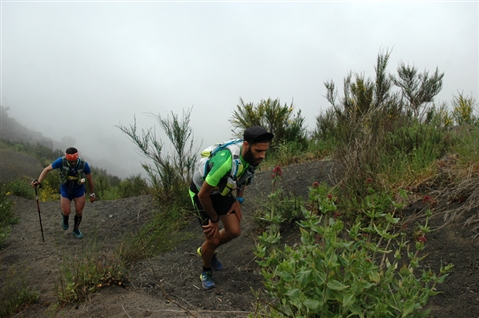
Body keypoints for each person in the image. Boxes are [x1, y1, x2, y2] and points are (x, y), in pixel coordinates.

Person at [189, 126, 274, 289]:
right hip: (201, 192)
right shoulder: (225, 162)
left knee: (234, 231)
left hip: (221, 190)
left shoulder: (252, 157)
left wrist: (238, 200)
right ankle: (206, 269)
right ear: (247, 145)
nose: (262, 156)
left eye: (265, 151)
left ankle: (205, 250)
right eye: (259, 151)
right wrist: (214, 219)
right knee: (213, 238)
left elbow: (244, 178)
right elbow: (203, 195)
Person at [31, 147, 96, 239]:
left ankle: (76, 229)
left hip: (79, 190)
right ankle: (65, 219)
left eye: (74, 161)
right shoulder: (61, 161)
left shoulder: (84, 165)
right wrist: (39, 181)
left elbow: (90, 179)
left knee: (79, 211)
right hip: (65, 189)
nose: (73, 163)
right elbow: (47, 169)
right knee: (66, 211)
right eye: (70, 161)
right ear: (67, 158)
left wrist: (92, 194)